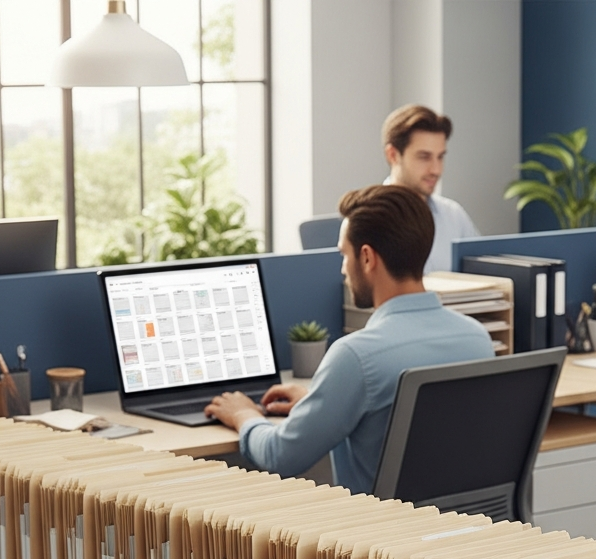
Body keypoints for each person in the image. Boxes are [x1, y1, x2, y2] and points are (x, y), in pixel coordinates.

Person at [204, 184, 494, 494]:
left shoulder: (356, 357)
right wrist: (322, 403)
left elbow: (281, 456)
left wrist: (243, 414)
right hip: (462, 522)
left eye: (344, 254)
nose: (343, 268)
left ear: (367, 257)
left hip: (379, 525)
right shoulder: (477, 339)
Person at [381, 104, 479, 274]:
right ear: (393, 155)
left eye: (440, 157)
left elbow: (486, 277)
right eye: (424, 157)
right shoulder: (369, 220)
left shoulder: (454, 216)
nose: (436, 170)